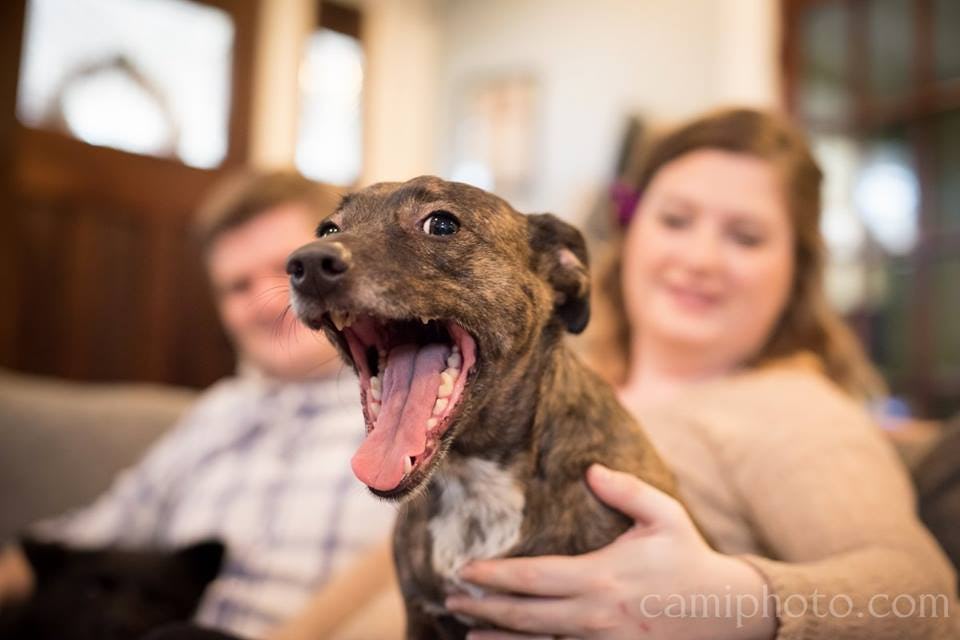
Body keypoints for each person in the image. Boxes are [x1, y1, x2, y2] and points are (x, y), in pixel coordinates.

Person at [443, 108, 959, 639]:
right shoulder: (547, 374)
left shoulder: (792, 410)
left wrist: (735, 602)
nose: (700, 257)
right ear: (631, 230)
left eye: (746, 237)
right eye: (675, 220)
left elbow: (927, 596)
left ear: (796, 269)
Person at [0, 171, 397, 639]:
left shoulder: (416, 409)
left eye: (288, 268)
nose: (266, 303)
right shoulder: (216, 415)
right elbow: (85, 536)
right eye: (236, 287)